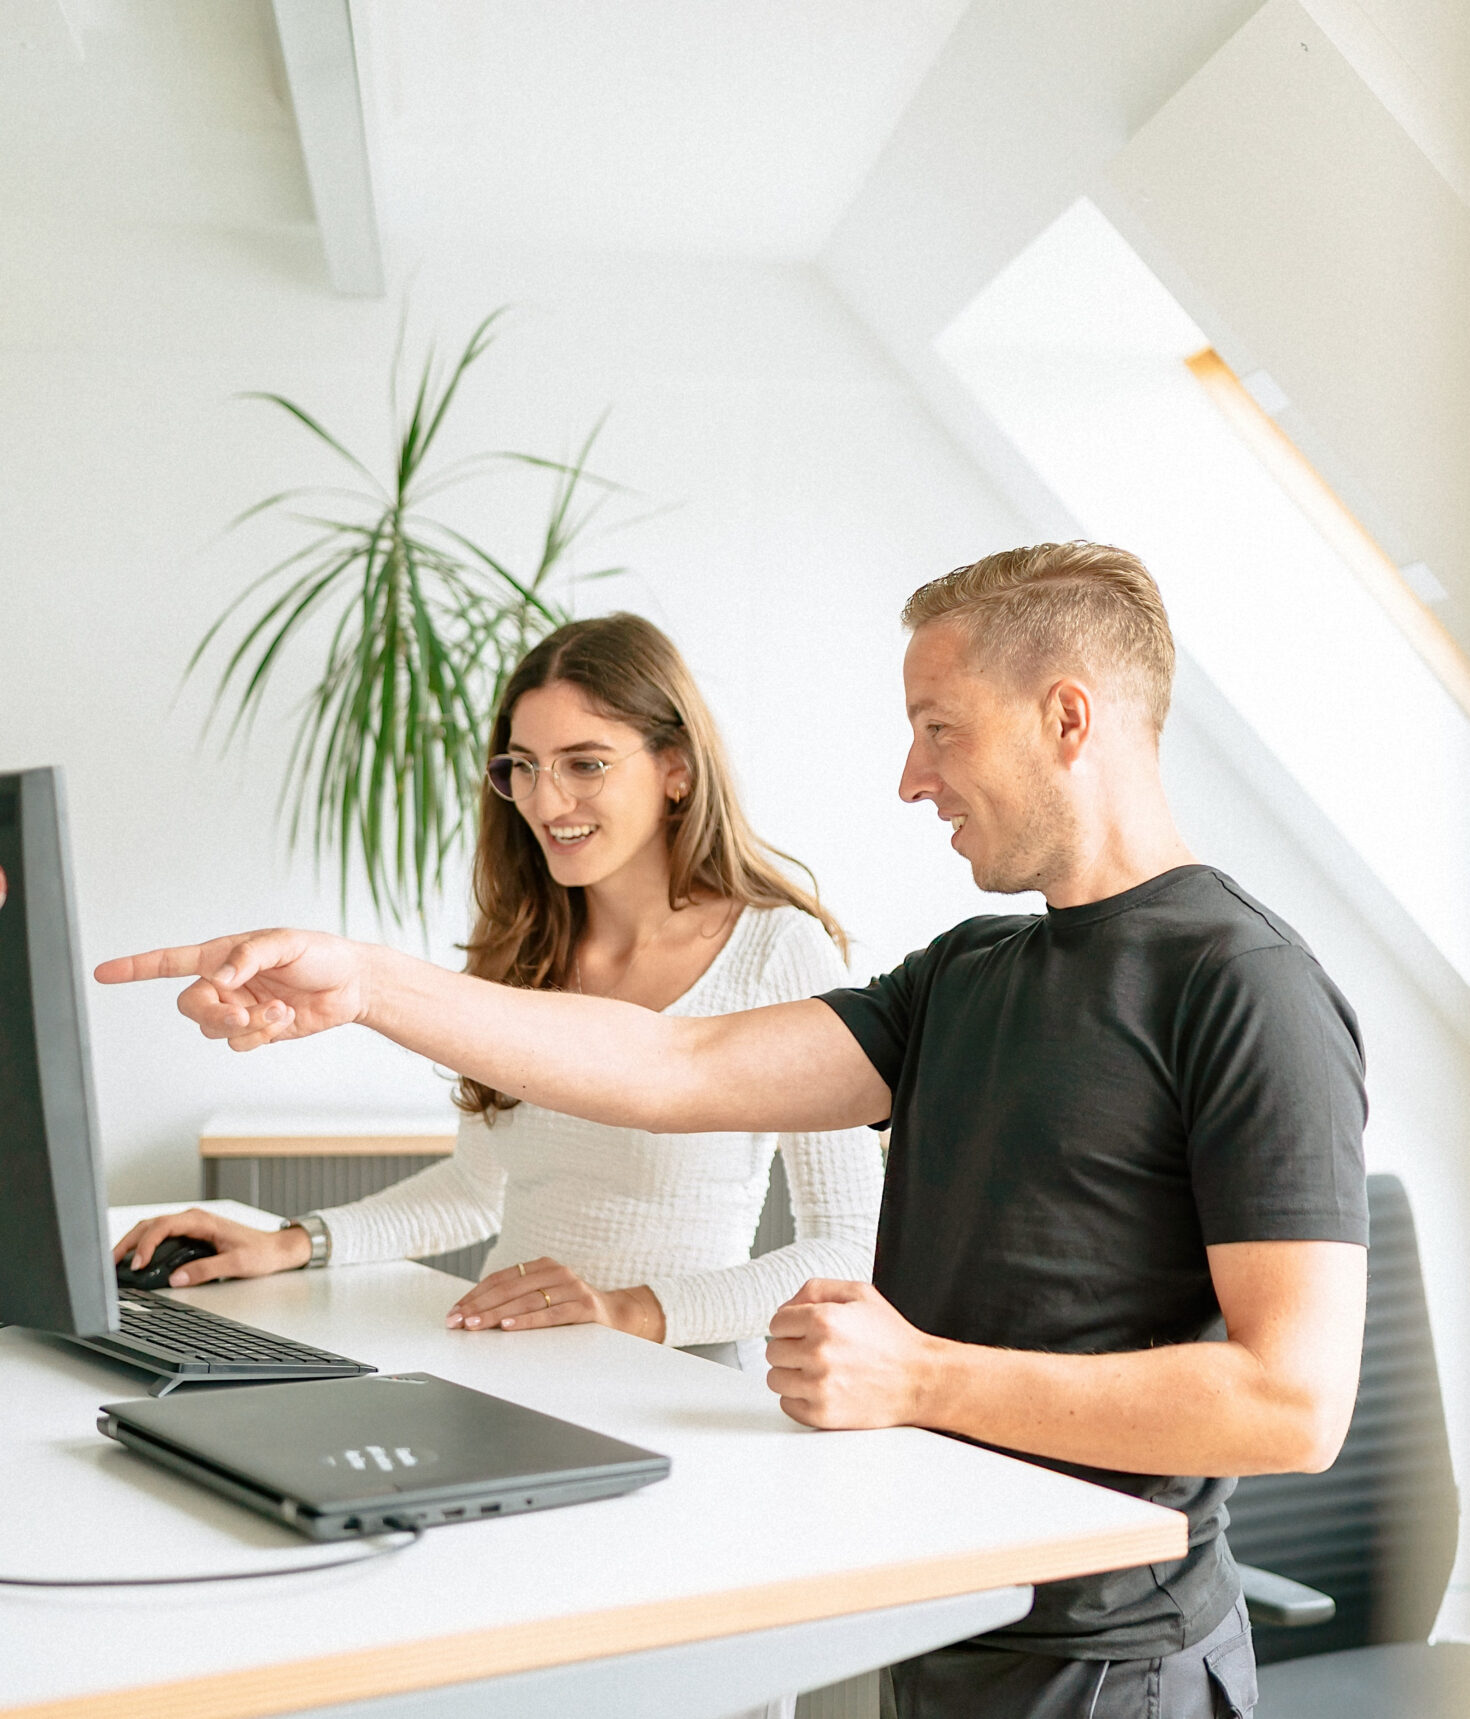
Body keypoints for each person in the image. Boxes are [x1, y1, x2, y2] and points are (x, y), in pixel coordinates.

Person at [101, 544, 1369, 1719]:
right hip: (947, 1605)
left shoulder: (1244, 986)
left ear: (1068, 719)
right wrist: (366, 984)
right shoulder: (969, 972)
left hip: (1113, 1657)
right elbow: (674, 1062)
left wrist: (921, 1378)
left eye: (939, 727)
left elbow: (1292, 1402)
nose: (911, 775)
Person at [113, 614, 884, 1373]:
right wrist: (292, 1241)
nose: (545, 802)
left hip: (676, 1379)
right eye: (524, 766)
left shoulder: (778, 950)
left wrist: (629, 1310)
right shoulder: (523, 942)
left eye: (585, 764)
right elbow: (475, 1189)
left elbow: (847, 1243)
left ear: (676, 768)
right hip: (507, 1359)